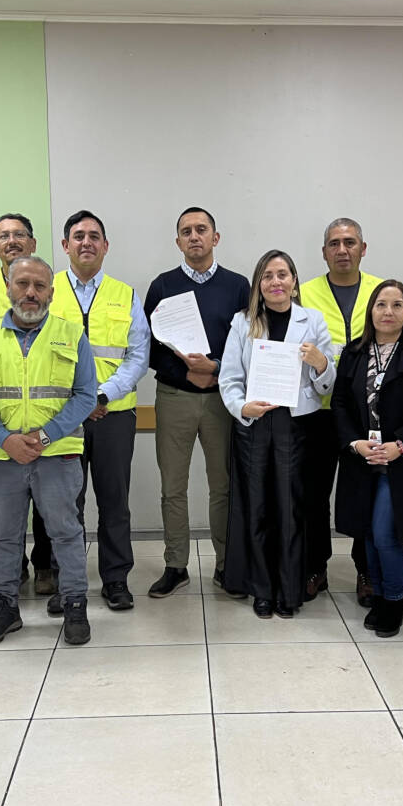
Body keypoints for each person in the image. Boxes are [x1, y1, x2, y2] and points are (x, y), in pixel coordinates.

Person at [0, 256, 97, 646]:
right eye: (22, 284)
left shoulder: (71, 334)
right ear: (8, 287)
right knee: (4, 535)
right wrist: (4, 438)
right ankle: (4, 607)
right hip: (3, 456)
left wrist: (45, 436)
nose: (30, 293)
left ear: (51, 293)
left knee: (66, 533)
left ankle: (74, 604)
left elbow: (85, 395)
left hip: (57, 454)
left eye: (39, 286)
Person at [37, 210, 149, 613]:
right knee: (64, 504)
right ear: (65, 245)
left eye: (94, 236)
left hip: (113, 415)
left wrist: (101, 397)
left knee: (114, 502)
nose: (87, 242)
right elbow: (37, 354)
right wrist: (78, 403)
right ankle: (67, 582)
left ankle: (116, 580)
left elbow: (138, 356)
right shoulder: (47, 292)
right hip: (61, 418)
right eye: (79, 235)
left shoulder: (125, 294)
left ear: (105, 246)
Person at [220, 250, 336, 617]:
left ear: (294, 282)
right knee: (257, 507)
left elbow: (328, 382)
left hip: (298, 426)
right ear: (259, 285)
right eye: (267, 276)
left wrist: (320, 363)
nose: (275, 282)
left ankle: (289, 590)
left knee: (291, 508)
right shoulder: (243, 322)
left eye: (282, 274)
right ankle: (262, 589)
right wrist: (242, 408)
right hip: (255, 425)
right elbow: (229, 378)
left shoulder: (312, 320)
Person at [143, 207, 249, 595]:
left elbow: (249, 343)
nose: (194, 236)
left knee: (223, 485)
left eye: (201, 229)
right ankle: (176, 565)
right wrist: (186, 373)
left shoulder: (238, 286)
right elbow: (149, 348)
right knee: (173, 486)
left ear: (215, 238)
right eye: (186, 231)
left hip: (223, 399)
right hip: (175, 397)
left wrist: (215, 368)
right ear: (178, 242)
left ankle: (225, 564)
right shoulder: (162, 286)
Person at [333, 280, 403, 637]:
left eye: (397, 305)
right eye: (381, 304)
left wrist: (401, 444)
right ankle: (379, 595)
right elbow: (339, 404)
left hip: (402, 460)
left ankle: (394, 600)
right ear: (371, 310)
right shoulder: (354, 352)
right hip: (363, 459)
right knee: (367, 532)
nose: (388, 312)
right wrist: (354, 443)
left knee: (385, 533)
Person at [298, 218, 386, 606]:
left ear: (363, 249)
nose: (342, 250)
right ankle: (315, 567)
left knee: (364, 493)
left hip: (367, 414)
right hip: (316, 411)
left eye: (350, 242)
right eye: (334, 243)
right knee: (312, 495)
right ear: (324, 252)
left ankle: (366, 570)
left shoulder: (381, 291)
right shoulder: (303, 293)